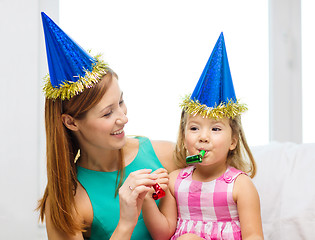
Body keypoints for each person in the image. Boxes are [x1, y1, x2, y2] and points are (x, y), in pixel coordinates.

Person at [37, 12, 176, 240]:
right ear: (71, 122)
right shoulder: (67, 201)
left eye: (121, 102)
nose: (123, 118)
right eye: (108, 113)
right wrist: (126, 222)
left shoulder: (166, 155)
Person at [142, 33, 264, 239]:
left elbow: (254, 235)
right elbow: (163, 233)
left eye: (215, 129)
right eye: (194, 128)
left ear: (233, 141)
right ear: (183, 135)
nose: (203, 137)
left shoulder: (240, 185)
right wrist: (146, 199)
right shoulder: (175, 181)